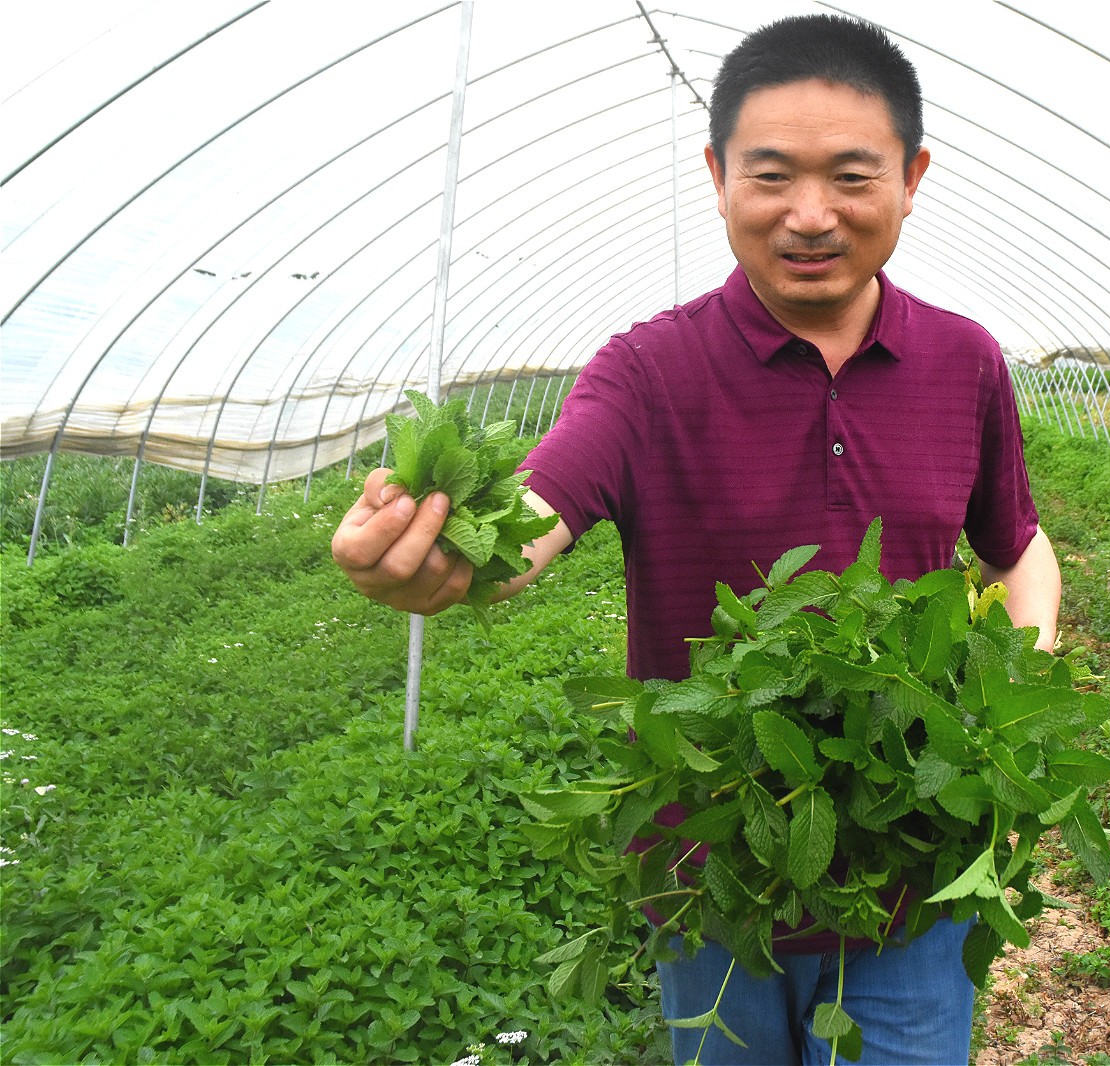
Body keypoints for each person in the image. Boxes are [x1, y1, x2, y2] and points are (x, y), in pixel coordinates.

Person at [332, 13, 1061, 1064]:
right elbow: (538, 517)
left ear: (912, 177)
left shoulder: (963, 359)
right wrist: (451, 559)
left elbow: (1016, 545)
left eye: (852, 178)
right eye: (771, 176)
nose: (810, 215)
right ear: (718, 175)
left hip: (916, 853)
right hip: (716, 868)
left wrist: (1019, 682)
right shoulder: (646, 371)